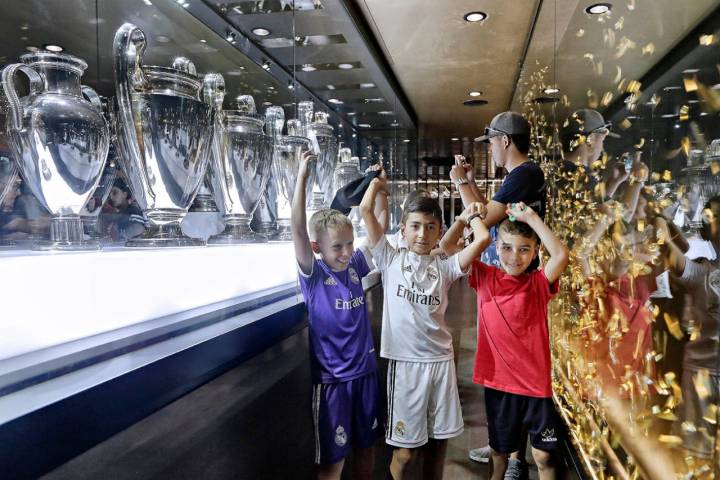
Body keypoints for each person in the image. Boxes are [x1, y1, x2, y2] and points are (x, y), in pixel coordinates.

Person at [360, 174, 491, 480]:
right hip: (406, 367)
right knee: (405, 453)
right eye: (415, 226)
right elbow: (367, 211)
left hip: (441, 364)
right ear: (402, 229)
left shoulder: (444, 268)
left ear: (439, 233)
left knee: (438, 445)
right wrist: (377, 185)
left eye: (430, 227)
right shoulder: (389, 259)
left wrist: (470, 216)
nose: (422, 234)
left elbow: (483, 239)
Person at [448, 112, 546, 474]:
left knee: (511, 370)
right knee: (504, 368)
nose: (489, 149)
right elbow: (488, 209)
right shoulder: (520, 177)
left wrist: (460, 184)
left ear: (504, 141)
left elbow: (484, 219)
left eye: (490, 142)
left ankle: (512, 458)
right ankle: (502, 449)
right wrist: (470, 183)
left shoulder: (527, 174)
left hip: (516, 286)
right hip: (505, 282)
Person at [292, 150, 388, 480]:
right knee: (332, 464)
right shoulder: (314, 275)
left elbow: (380, 228)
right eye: (337, 247)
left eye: (348, 244)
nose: (346, 252)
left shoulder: (355, 266)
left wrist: (379, 189)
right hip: (333, 384)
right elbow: (298, 232)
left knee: (367, 451)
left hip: (366, 376)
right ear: (318, 248)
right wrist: (302, 179)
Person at [465, 202, 569, 480]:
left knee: (544, 455)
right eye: (508, 247)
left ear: (535, 251)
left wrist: (532, 218)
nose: (514, 256)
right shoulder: (484, 276)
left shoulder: (538, 283)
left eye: (524, 249)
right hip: (499, 385)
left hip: (536, 386)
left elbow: (560, 254)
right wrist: (469, 218)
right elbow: (451, 249)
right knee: (499, 454)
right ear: (496, 247)